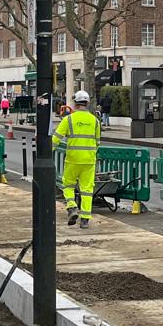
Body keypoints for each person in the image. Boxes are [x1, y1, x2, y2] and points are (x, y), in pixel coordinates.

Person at [54, 89, 101, 228]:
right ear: (87, 103)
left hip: (73, 159)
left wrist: (44, 154)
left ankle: (72, 207)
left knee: (67, 185)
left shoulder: (68, 119)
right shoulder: (95, 121)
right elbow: (97, 141)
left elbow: (55, 139)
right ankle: (85, 219)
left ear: (75, 104)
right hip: (89, 160)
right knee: (87, 190)